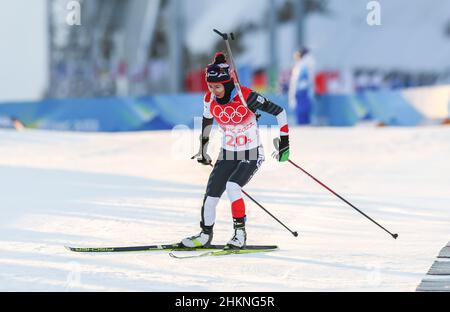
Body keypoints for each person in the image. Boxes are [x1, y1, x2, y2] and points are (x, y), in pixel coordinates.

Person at [181, 53, 290, 249]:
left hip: (251, 152)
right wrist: (203, 149)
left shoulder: (245, 96)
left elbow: (280, 112)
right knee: (211, 196)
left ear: (227, 83)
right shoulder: (209, 99)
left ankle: (240, 234)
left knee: (233, 186)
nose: (214, 91)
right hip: (228, 153)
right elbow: (207, 121)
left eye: (218, 86)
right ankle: (205, 235)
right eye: (210, 86)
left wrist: (285, 144)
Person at [288, 48, 315, 124]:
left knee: (303, 116)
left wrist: (293, 96)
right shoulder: (300, 65)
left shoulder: (303, 65)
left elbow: (300, 83)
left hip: (302, 94)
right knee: (302, 116)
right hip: (300, 94)